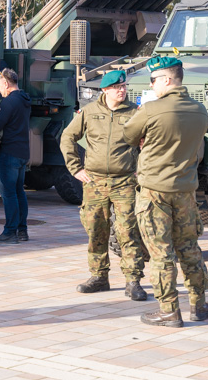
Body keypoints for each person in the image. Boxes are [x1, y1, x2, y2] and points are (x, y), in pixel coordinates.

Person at [123, 56, 208, 327]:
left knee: (161, 253)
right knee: (189, 248)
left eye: (153, 80)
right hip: (185, 191)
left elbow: (129, 136)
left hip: (154, 193)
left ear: (167, 80)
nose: (152, 85)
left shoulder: (151, 110)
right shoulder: (200, 110)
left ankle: (169, 311)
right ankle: (199, 304)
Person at [60, 70, 148, 301]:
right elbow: (67, 137)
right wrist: (75, 168)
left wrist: (143, 167)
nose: (122, 90)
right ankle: (99, 277)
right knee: (96, 230)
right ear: (106, 90)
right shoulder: (89, 112)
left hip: (125, 182)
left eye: (124, 87)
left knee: (128, 230)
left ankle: (133, 281)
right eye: (117, 87)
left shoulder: (135, 113)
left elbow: (148, 143)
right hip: (95, 182)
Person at [0, 67, 31, 244]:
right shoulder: (25, 99)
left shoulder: (9, 102)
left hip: (9, 153)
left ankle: (10, 232)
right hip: (23, 152)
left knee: (9, 194)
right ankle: (22, 231)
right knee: (19, 192)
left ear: (6, 83)